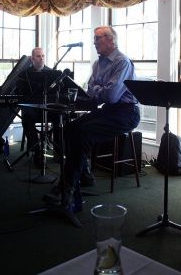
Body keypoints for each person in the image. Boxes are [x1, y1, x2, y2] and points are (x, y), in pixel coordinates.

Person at [44, 26, 140, 213]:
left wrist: (98, 89)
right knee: (69, 128)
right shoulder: (98, 64)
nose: (94, 42)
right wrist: (99, 90)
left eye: (97, 38)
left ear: (111, 40)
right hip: (109, 109)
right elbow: (91, 92)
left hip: (127, 113)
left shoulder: (122, 62)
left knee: (84, 133)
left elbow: (110, 95)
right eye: (94, 38)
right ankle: (85, 175)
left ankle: (66, 187)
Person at [16, 47, 60, 166]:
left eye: (43, 56)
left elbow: (57, 94)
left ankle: (59, 150)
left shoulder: (52, 74)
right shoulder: (23, 75)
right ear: (32, 59)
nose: (41, 59)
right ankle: (37, 152)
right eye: (38, 56)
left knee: (59, 116)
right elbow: (19, 94)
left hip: (47, 108)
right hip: (32, 110)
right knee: (27, 116)